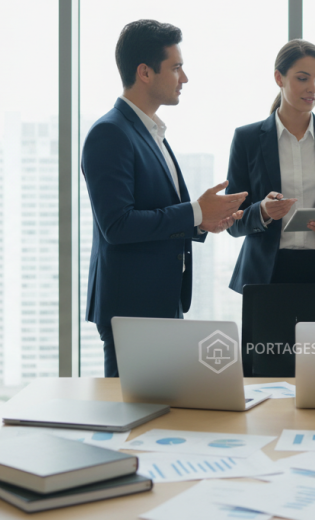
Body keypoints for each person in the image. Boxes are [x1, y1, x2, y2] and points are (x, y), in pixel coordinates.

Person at [82, 19, 247, 377]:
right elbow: (117, 225)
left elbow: (158, 214)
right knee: (133, 421)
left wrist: (202, 221)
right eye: (176, 68)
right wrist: (194, 211)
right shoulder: (110, 133)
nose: (184, 78)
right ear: (144, 72)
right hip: (132, 311)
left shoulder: (151, 131)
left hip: (159, 304)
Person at [225, 40, 315, 291]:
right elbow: (231, 222)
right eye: (303, 78)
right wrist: (263, 212)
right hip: (265, 277)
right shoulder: (247, 139)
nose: (313, 88)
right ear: (279, 78)